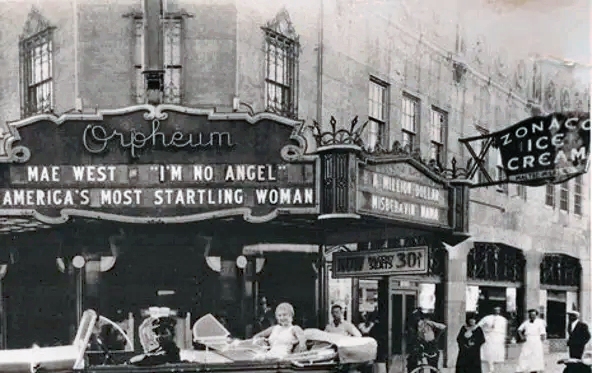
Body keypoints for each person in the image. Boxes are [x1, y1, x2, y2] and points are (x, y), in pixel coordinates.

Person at [406, 308, 446, 373]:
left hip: (431, 345)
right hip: (422, 345)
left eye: (416, 316)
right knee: (413, 360)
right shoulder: (414, 327)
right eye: (414, 316)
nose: (415, 318)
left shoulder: (427, 323)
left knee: (433, 364)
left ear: (419, 316)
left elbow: (443, 327)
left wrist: (436, 338)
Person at [478, 306, 507, 373]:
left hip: (499, 338)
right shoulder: (486, 318)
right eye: (495, 310)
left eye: (498, 310)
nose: (497, 311)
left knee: (497, 354)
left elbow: (504, 329)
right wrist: (485, 331)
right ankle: (489, 367)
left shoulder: (503, 319)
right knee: (489, 352)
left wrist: (504, 337)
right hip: (489, 337)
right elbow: (479, 325)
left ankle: (496, 369)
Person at [516, 309, 546, 373]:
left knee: (536, 355)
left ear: (536, 315)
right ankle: (522, 368)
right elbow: (519, 330)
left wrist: (542, 339)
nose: (532, 316)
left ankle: (535, 368)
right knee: (525, 354)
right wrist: (522, 336)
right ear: (529, 315)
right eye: (530, 315)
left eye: (533, 315)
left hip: (536, 339)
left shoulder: (540, 322)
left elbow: (543, 333)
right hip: (528, 339)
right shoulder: (526, 322)